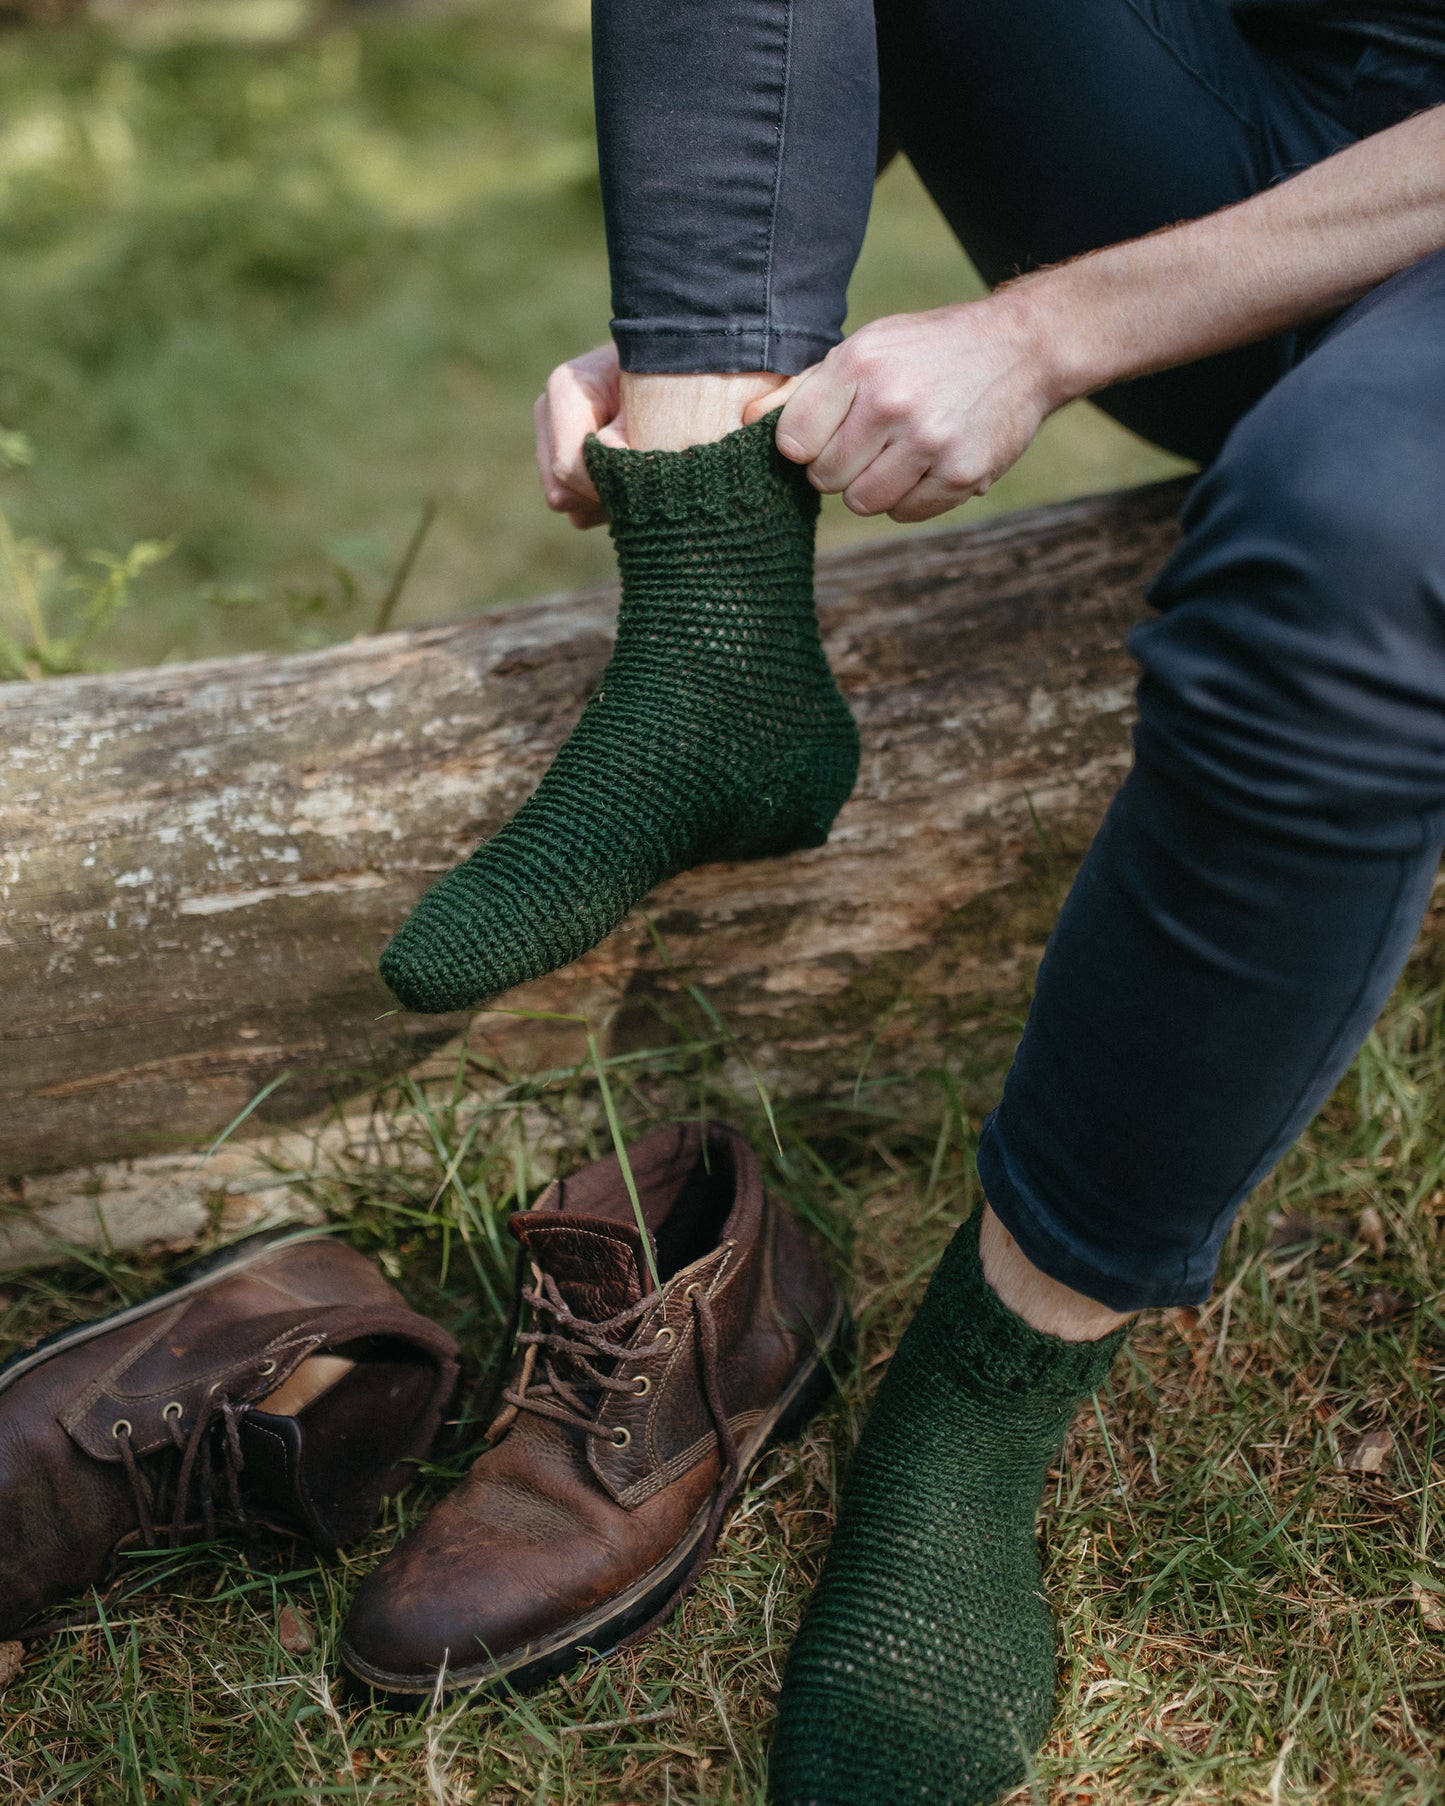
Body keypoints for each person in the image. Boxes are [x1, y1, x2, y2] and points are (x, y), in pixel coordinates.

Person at [376, 2, 1445, 1799]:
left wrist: (1041, 332)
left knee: (1336, 577)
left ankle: (975, 1411)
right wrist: (713, 317)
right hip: (1267, 117)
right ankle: (709, 656)